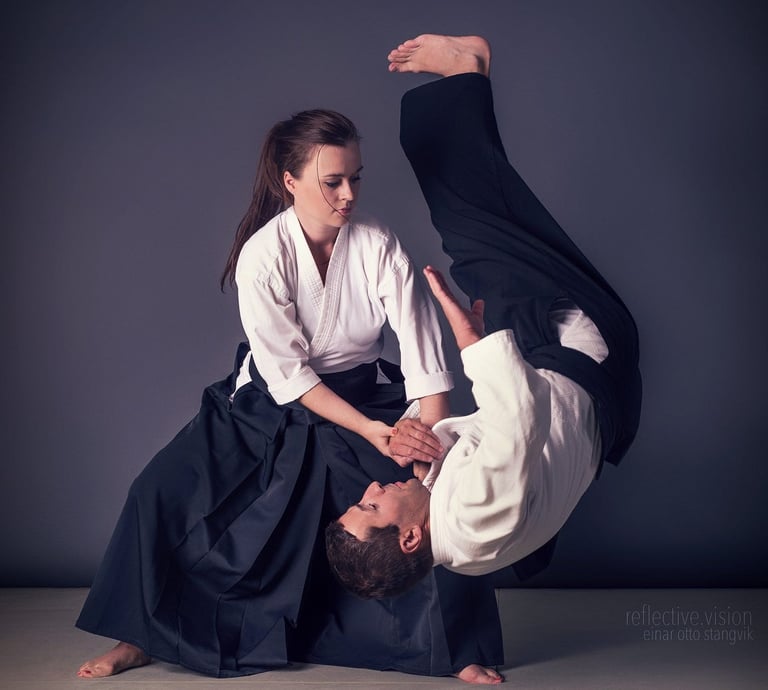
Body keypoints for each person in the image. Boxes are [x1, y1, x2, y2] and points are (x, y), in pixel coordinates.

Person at [75, 106, 504, 684]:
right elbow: (290, 377)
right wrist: (370, 431)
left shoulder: (377, 244)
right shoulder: (262, 257)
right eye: (333, 181)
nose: (348, 195)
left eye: (356, 178)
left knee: (438, 503)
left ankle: (456, 650)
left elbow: (423, 354)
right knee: (158, 491)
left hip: (363, 396)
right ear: (290, 181)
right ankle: (139, 636)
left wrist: (430, 445)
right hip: (267, 405)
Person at [325, 34, 642, 599]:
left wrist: (430, 452)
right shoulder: (471, 522)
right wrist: (471, 340)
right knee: (471, 222)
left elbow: (492, 457)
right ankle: (467, 73)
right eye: (371, 507)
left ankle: (467, 81)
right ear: (409, 538)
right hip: (584, 349)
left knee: (478, 230)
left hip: (560, 368)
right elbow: (519, 420)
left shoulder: (457, 542)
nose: (371, 488)